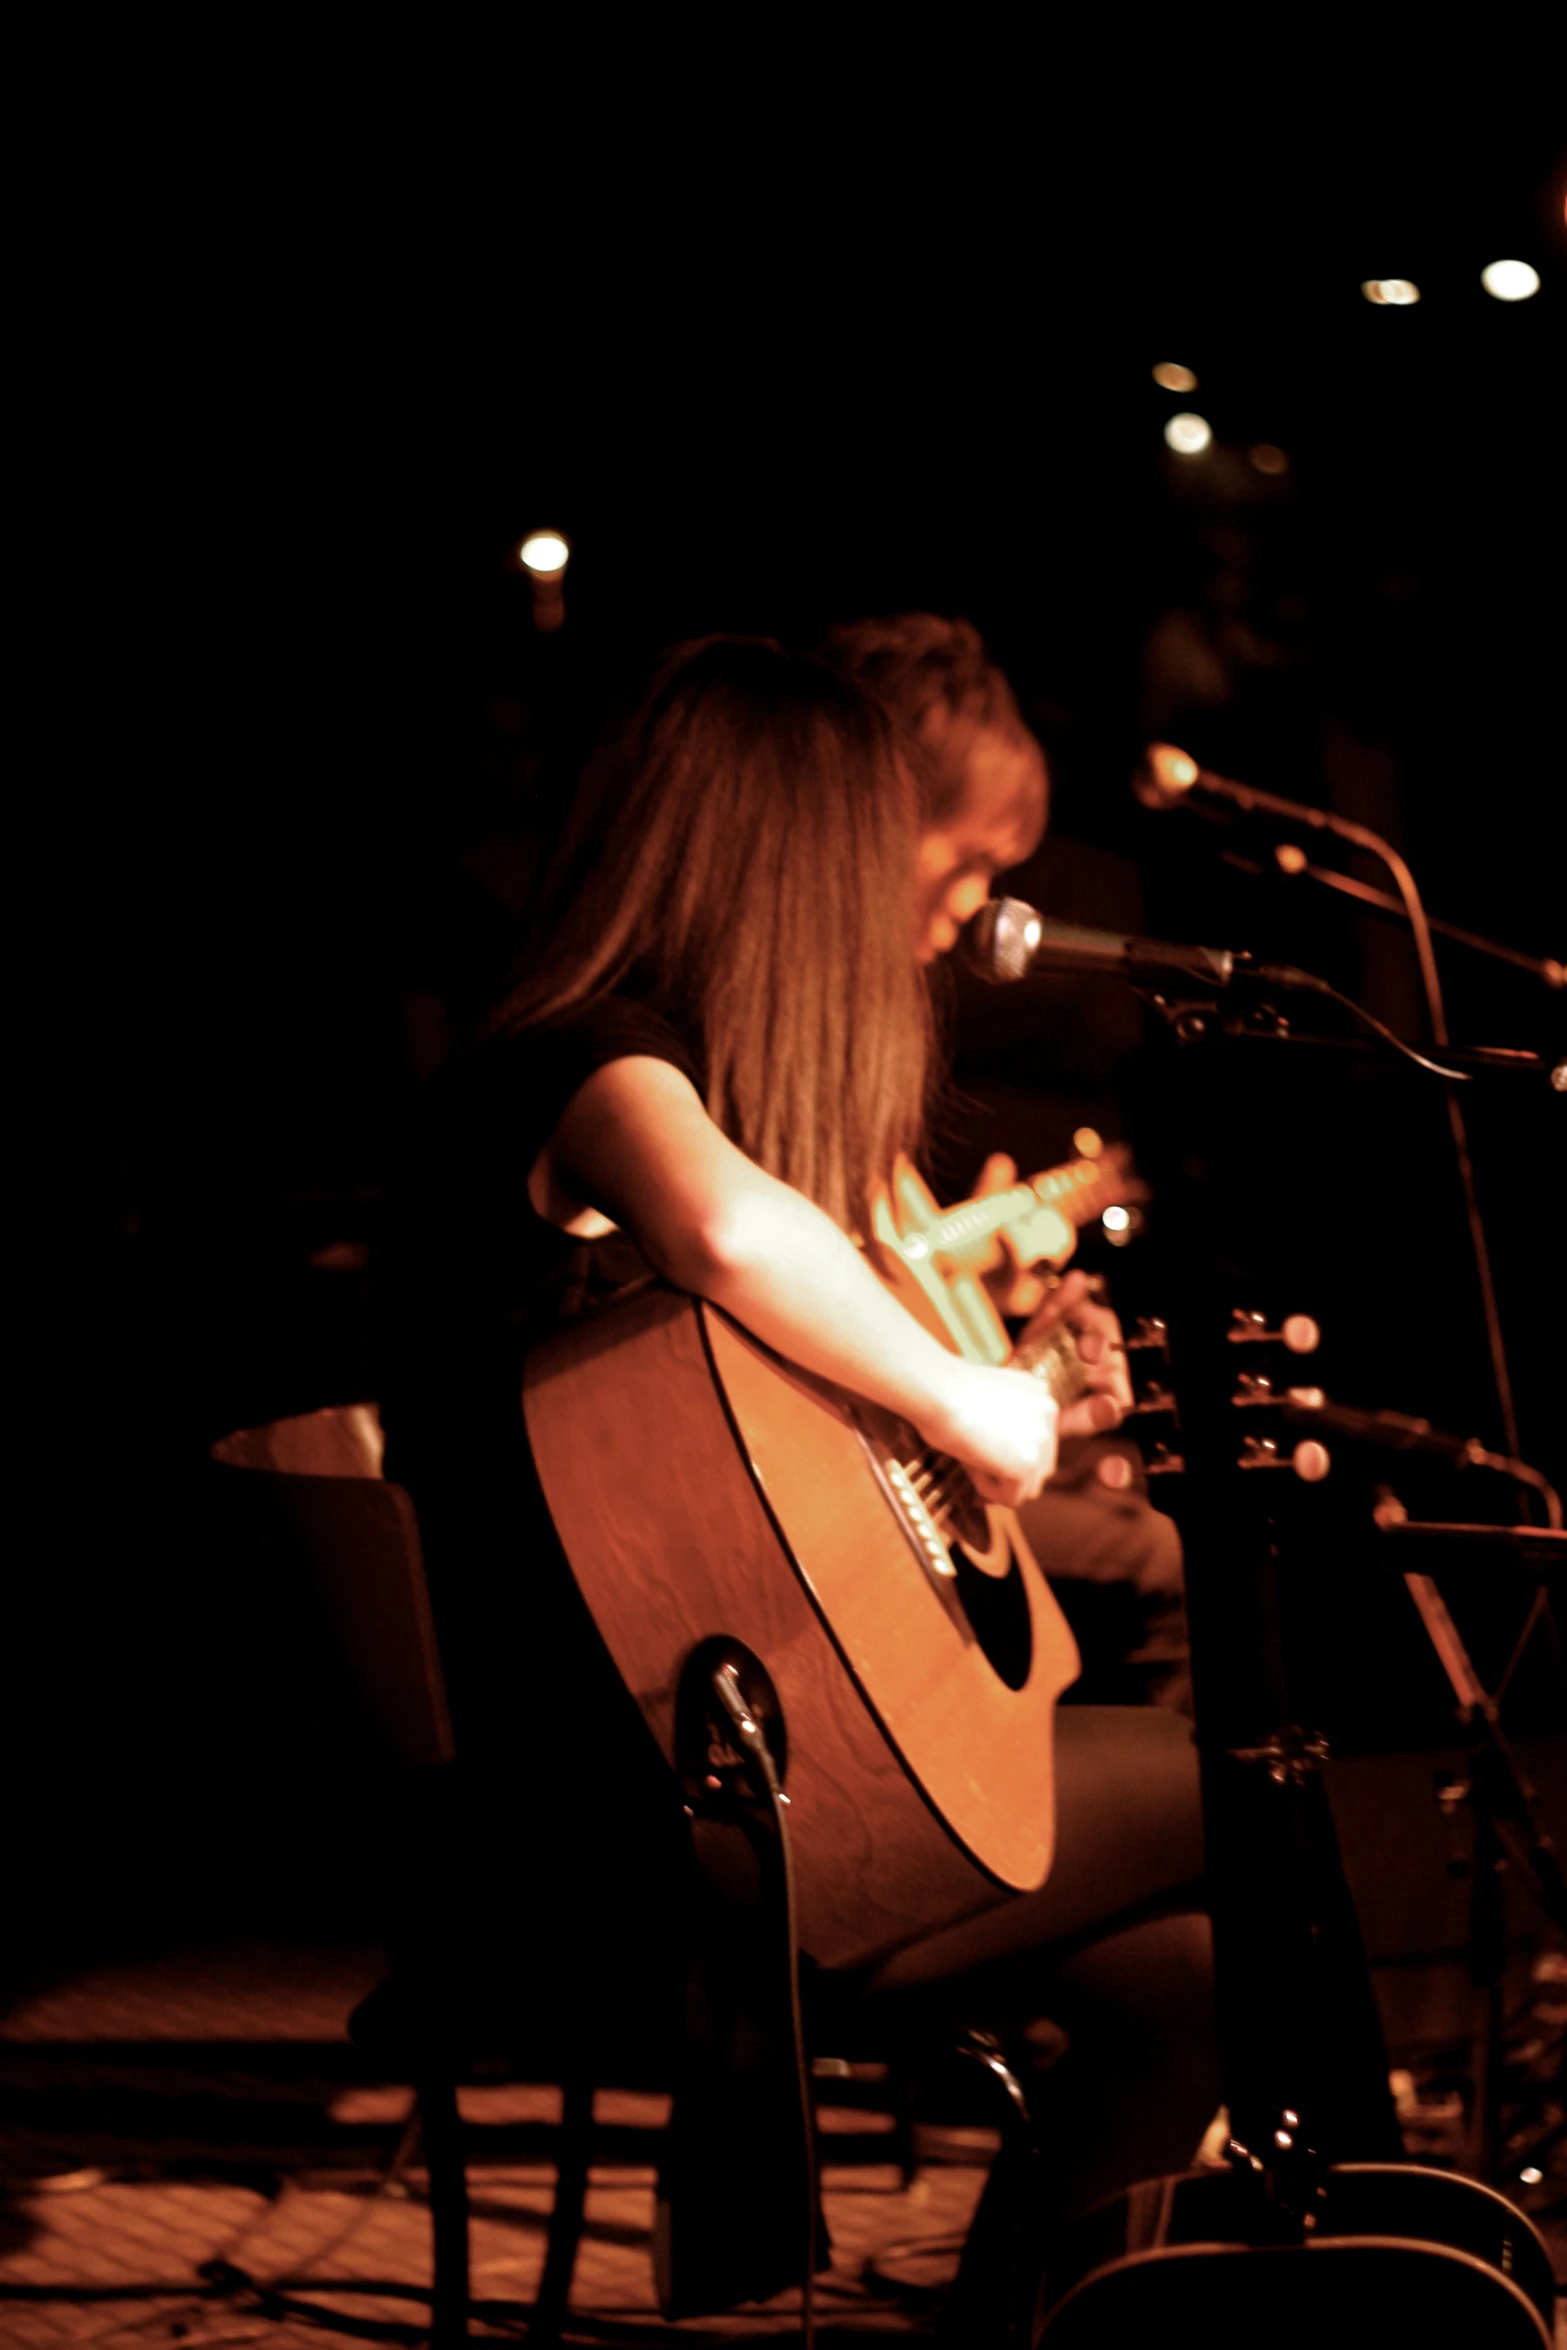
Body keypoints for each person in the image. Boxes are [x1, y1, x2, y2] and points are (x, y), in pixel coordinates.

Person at [376, 636, 1215, 2305]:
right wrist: (988, 1418)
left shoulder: (642, 1073)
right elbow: (731, 1228)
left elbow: (734, 1489)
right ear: (786, 871)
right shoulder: (584, 1064)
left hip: (680, 1801)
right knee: (1250, 1789)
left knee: (1191, 1981)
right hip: (622, 1858)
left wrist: (995, 1404)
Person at [823, 612, 1191, 1708]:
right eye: (971, 858)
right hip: (839, 1518)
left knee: (1146, 1525)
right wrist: (964, 1394)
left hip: (897, 1469)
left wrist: (1019, 1362)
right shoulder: (749, 1052)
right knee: (1166, 1568)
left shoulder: (859, 1044)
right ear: (872, 816)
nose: (982, 904)